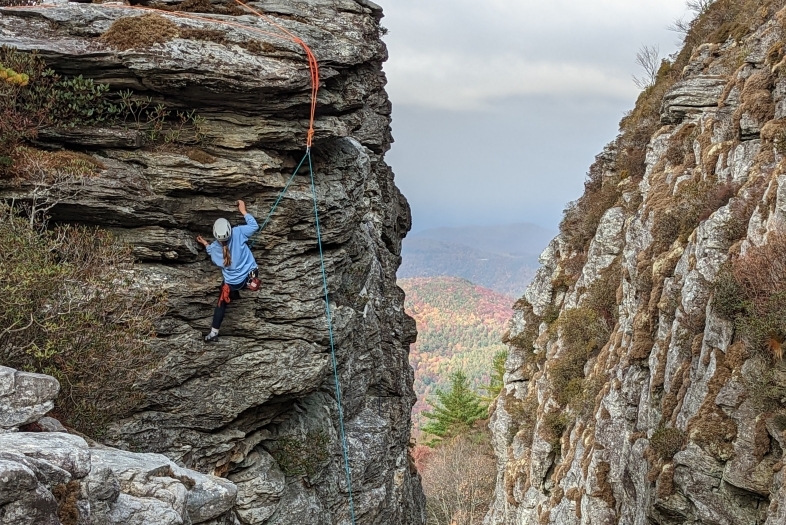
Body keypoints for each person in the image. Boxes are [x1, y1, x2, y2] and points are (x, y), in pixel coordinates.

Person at [196, 200, 260, 343]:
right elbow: (254, 226)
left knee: (222, 302)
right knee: (250, 274)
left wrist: (205, 243)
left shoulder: (214, 250)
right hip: (250, 272)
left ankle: (213, 333)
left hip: (232, 283)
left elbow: (211, 251)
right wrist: (243, 211)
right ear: (229, 229)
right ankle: (251, 280)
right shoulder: (237, 232)